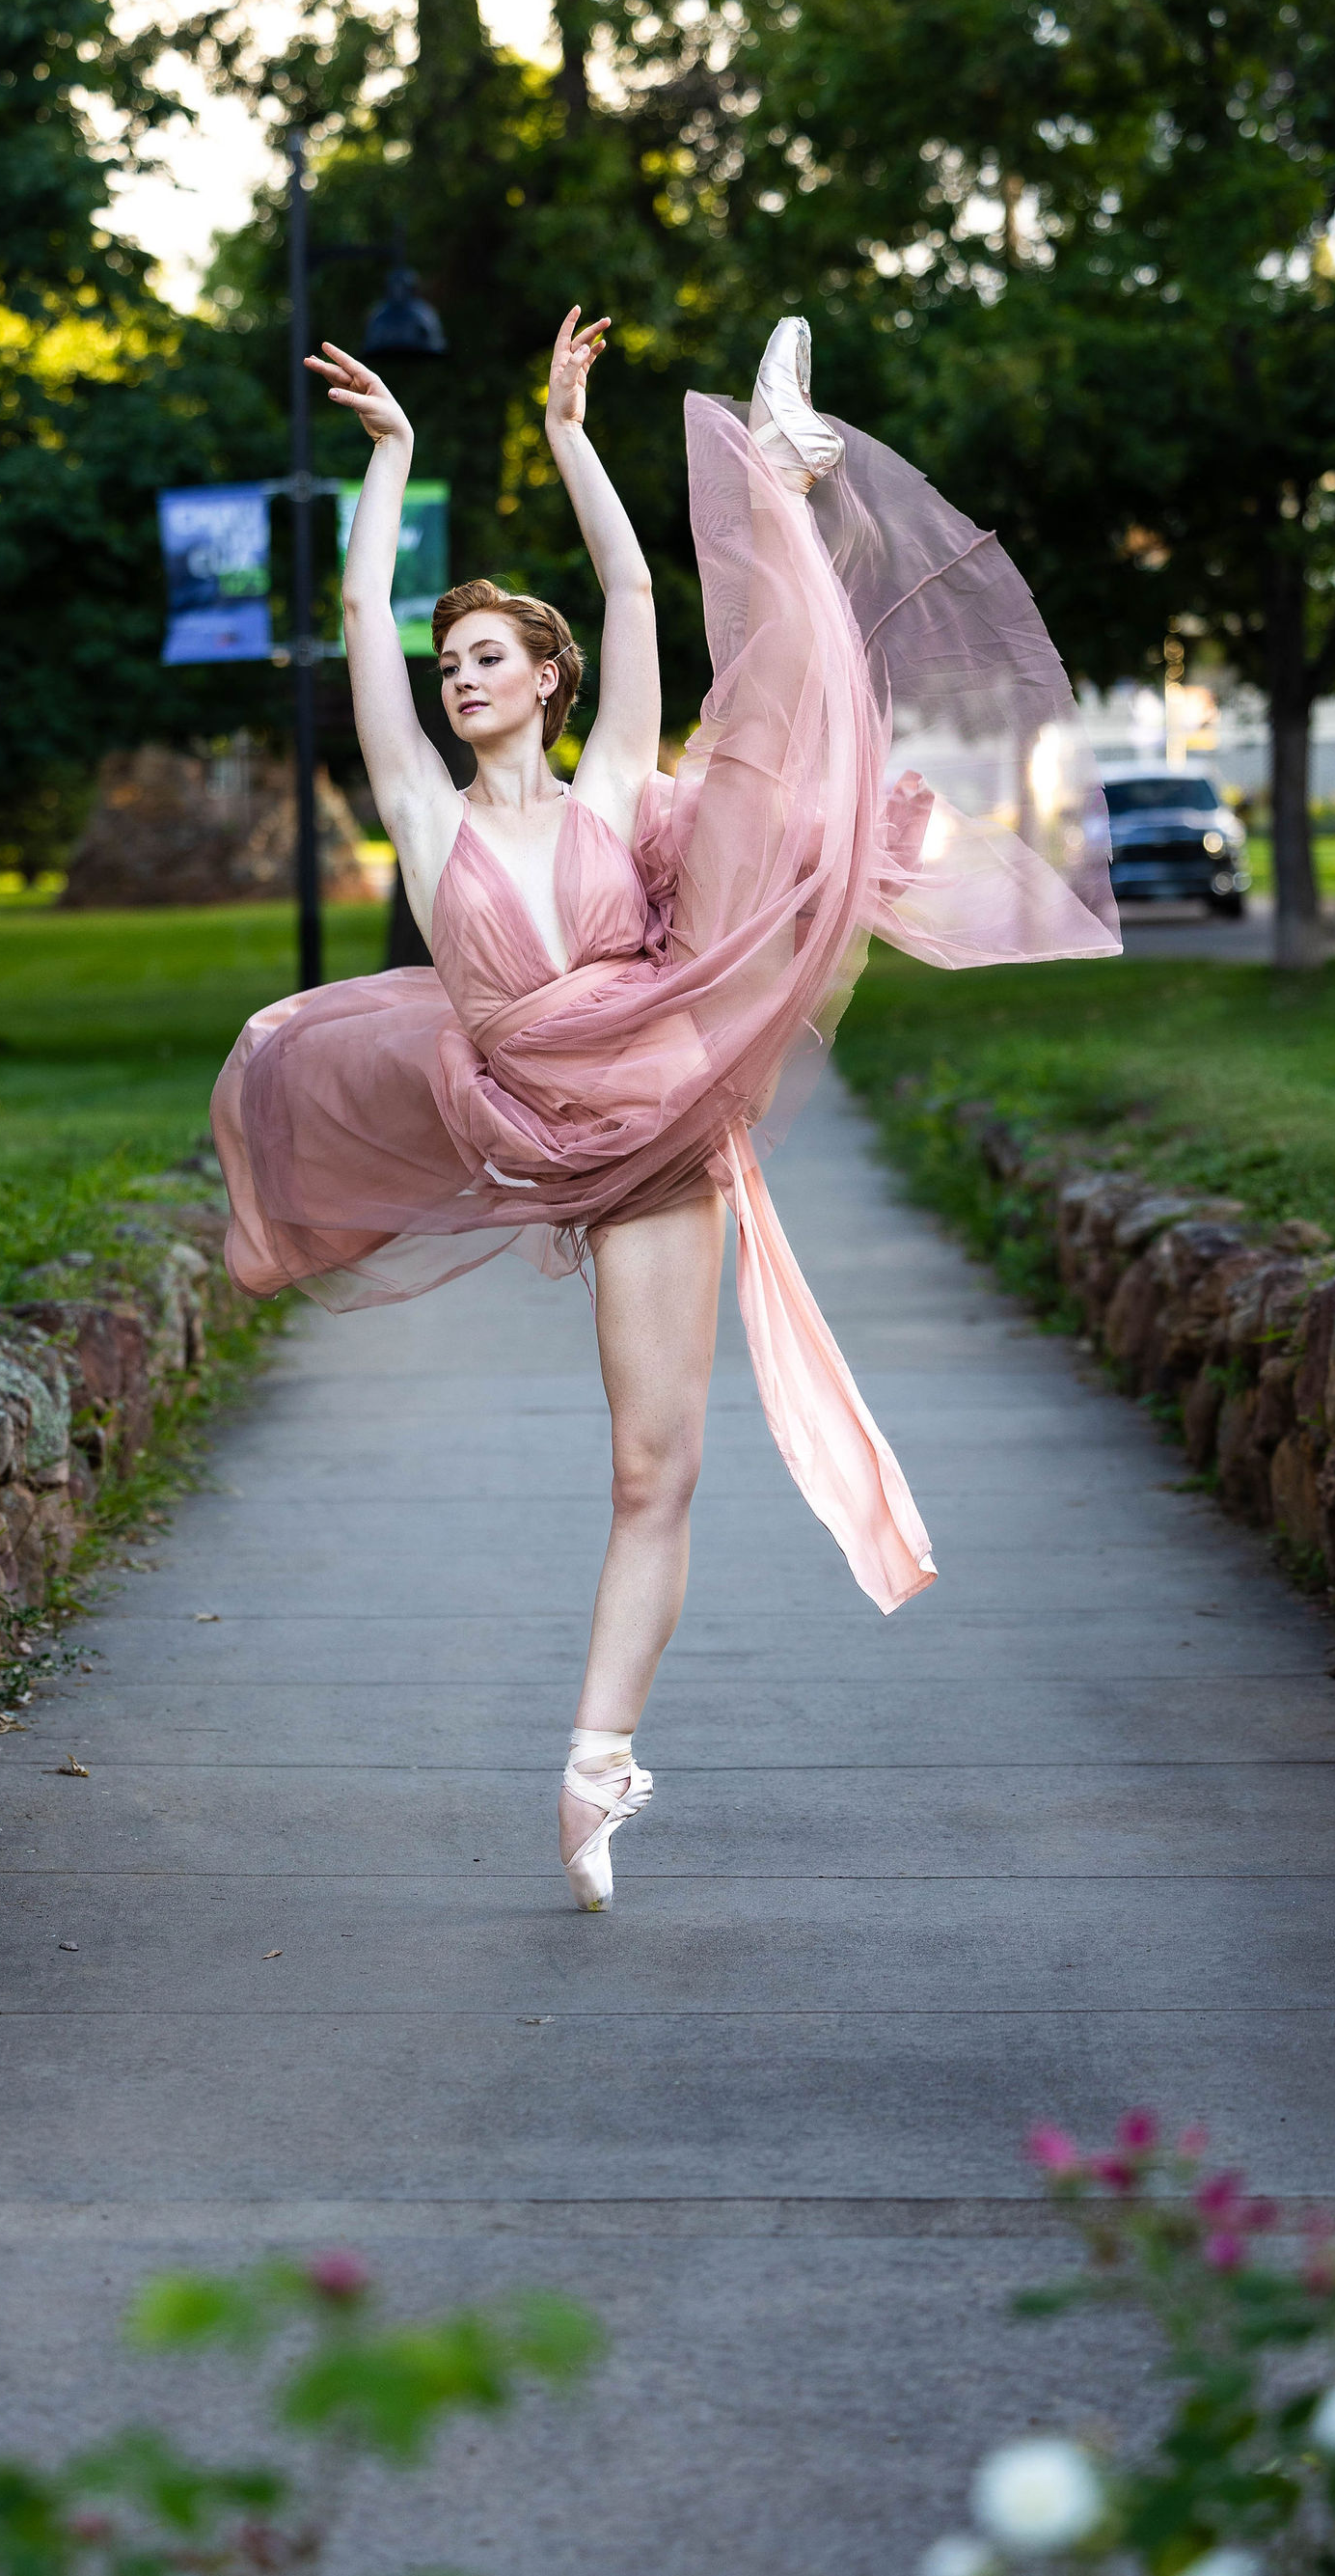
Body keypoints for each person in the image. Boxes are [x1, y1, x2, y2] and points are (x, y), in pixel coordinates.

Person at [211, 310, 1118, 1910]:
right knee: (746, 781)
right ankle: (779, 477)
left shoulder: (616, 783)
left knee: (658, 1470)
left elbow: (632, 592)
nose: (459, 674)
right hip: (537, 1109)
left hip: (660, 1092)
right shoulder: (423, 816)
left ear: (545, 681)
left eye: (488, 656)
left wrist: (569, 433)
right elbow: (361, 611)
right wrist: (396, 462)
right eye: (450, 663)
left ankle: (592, 1766)